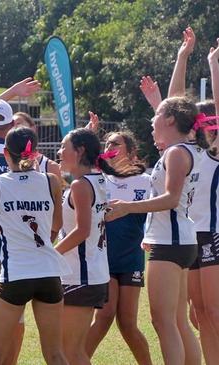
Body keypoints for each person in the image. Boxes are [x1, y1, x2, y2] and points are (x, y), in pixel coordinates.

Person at [108, 96, 208, 365]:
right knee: (177, 321)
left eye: (156, 116)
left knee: (163, 322)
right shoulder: (192, 149)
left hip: (170, 243)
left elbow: (171, 198)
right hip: (182, 240)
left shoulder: (177, 153)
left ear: (170, 120)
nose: (152, 123)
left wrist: (128, 207)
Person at [0, 126, 67, 365]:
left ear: (5, 152)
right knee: (55, 354)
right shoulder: (51, 181)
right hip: (49, 272)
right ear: (36, 152)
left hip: (15, 274)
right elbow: (57, 224)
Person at [0, 78, 42, 365]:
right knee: (13, 321)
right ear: (12, 127)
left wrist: (10, 93)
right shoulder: (28, 164)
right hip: (12, 251)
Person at [55, 127, 127, 365]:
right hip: (88, 273)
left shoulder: (81, 185)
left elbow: (82, 230)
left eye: (64, 147)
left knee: (70, 352)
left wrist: (52, 255)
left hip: (80, 276)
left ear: (80, 151)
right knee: (70, 350)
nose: (59, 151)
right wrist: (88, 133)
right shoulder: (95, 179)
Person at [84, 131, 153, 364]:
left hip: (132, 258)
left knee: (128, 324)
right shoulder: (98, 179)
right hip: (104, 257)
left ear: (132, 152)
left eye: (116, 143)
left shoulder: (147, 181)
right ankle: (77, 359)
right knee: (104, 316)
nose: (110, 146)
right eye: (107, 143)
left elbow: (158, 214)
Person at [187, 41, 219, 365]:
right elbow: (168, 109)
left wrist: (214, 66)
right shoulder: (192, 156)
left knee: (213, 310)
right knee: (199, 314)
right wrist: (182, 57)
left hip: (213, 235)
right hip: (191, 237)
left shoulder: (216, 153)